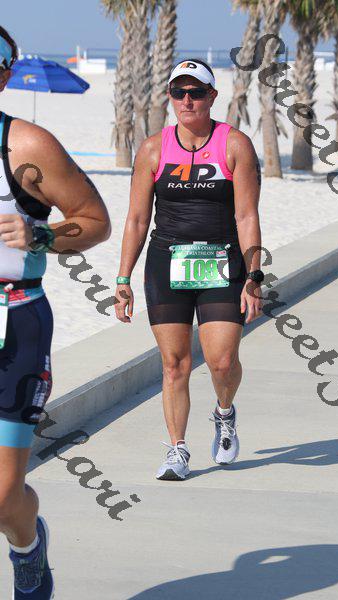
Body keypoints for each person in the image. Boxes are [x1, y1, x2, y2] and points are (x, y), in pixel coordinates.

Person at [0, 27, 111, 599]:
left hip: (14, 322)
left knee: (2, 496)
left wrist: (40, 235)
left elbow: (95, 220)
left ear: (5, 73)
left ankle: (27, 546)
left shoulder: (27, 146)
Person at [115, 58, 264, 481]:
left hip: (222, 262)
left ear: (212, 96)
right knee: (174, 364)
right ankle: (177, 450)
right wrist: (123, 279)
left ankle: (224, 413)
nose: (186, 100)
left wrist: (254, 276)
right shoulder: (153, 149)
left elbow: (247, 216)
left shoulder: (234, 144)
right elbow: (137, 220)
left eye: (196, 92)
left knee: (222, 361)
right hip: (167, 263)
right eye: (178, 92)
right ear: (169, 97)